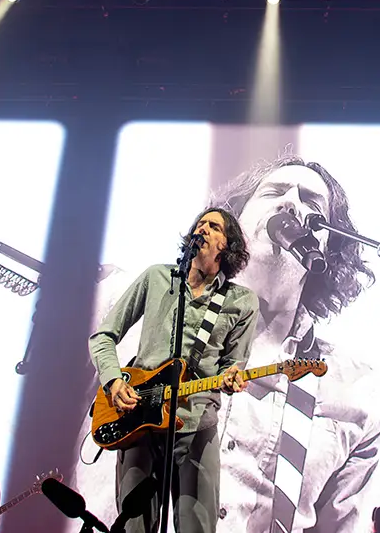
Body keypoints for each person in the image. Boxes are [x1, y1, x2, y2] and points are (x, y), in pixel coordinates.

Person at [77, 154, 380, 533]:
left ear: (329, 249)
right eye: (274, 191)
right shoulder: (130, 299)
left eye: (312, 203)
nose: (290, 202)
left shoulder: (356, 392)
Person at [89, 207, 260, 533]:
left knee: (197, 526)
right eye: (200, 224)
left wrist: (232, 378)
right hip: (138, 420)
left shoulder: (242, 302)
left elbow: (232, 366)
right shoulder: (157, 278)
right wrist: (113, 381)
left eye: (214, 227)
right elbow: (103, 336)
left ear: (228, 245)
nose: (203, 229)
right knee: (134, 525)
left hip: (196, 425)